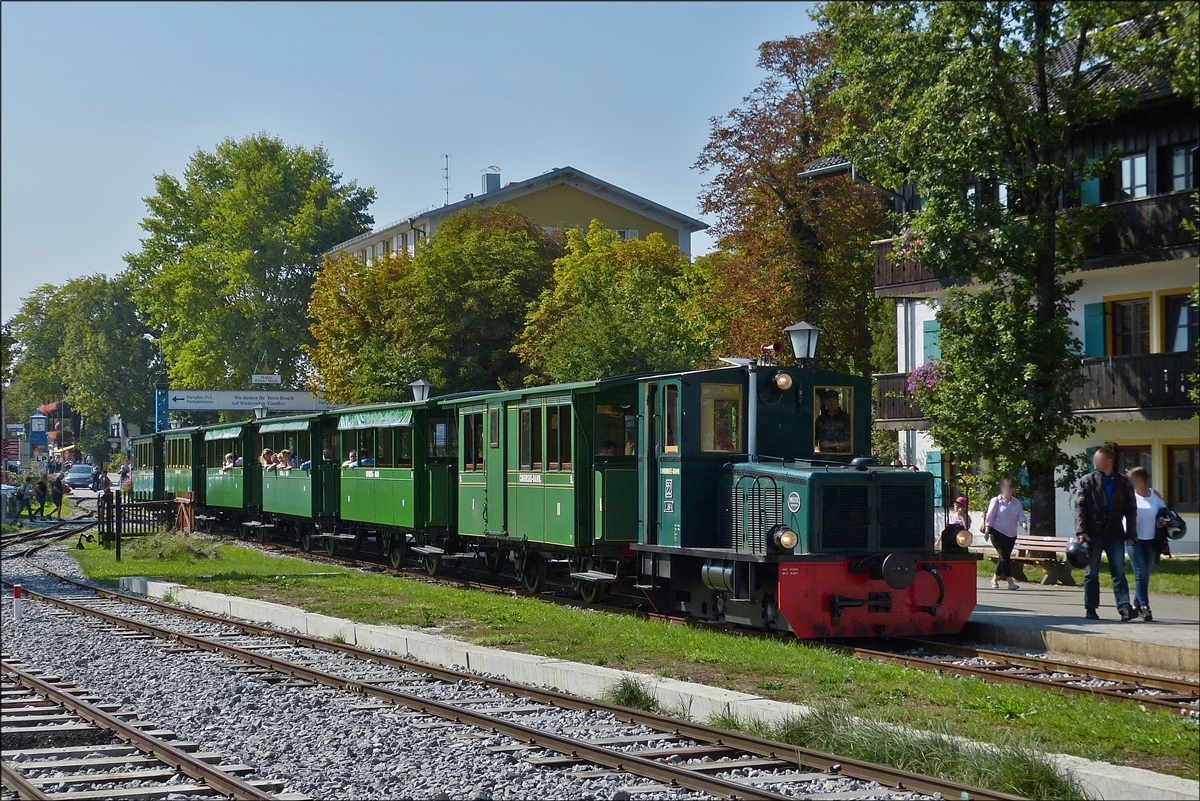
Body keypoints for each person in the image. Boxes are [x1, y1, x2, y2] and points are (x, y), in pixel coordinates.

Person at [1074, 447, 1137, 621]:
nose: (1094, 463)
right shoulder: (1087, 481)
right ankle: (1091, 608)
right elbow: (1080, 507)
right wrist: (1081, 531)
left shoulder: (1123, 483)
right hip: (1093, 534)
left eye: (1098, 459)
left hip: (1115, 533)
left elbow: (1131, 510)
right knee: (1091, 573)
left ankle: (1124, 607)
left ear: (1109, 462)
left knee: (1118, 571)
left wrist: (1131, 534)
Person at [1124, 466, 1167, 622]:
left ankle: (1135, 607)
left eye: (1134, 480)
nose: (1132, 483)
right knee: (1140, 573)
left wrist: (1162, 522)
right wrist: (1128, 534)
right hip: (1134, 540)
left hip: (1152, 541)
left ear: (1142, 480)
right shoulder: (1129, 496)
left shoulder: (1154, 495)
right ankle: (1145, 607)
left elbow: (1165, 512)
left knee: (1145, 575)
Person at [983, 478, 1027, 590]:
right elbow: (990, 517)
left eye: (1010, 487)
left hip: (1011, 534)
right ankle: (1010, 582)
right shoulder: (996, 501)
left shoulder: (1017, 503)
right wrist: (987, 531)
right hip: (997, 533)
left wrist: (1023, 524)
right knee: (1005, 557)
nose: (1008, 489)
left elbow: (1021, 516)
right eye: (1006, 487)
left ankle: (994, 579)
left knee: (1003, 558)